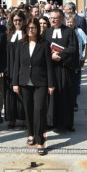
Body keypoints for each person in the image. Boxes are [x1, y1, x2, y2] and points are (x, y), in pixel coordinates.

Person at [12, 17, 55, 155]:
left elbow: (49, 65)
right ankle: (30, 133)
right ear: (25, 29)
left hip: (40, 82)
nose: (31, 30)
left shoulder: (44, 44)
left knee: (39, 110)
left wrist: (51, 84)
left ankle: (40, 139)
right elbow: (16, 64)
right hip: (24, 82)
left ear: (38, 29)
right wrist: (15, 82)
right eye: (29, 28)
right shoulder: (21, 43)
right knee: (28, 109)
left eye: (33, 28)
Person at [43, 8, 79, 131]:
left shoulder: (69, 32)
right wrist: (50, 55)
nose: (52, 20)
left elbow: (73, 48)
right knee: (51, 96)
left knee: (66, 95)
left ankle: (68, 122)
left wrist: (61, 55)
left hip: (64, 69)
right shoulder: (46, 32)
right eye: (51, 18)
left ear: (62, 19)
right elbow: (42, 48)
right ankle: (50, 122)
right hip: (50, 68)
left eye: (55, 18)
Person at [5, 10, 27, 129]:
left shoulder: (27, 34)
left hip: (22, 69)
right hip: (10, 68)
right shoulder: (8, 34)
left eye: (19, 20)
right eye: (15, 20)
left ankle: (24, 119)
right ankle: (12, 118)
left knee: (23, 94)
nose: (17, 22)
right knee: (10, 95)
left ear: (23, 21)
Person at [66, 14, 87, 111]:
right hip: (66, 61)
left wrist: (85, 57)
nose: (70, 23)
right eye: (68, 22)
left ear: (75, 23)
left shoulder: (79, 32)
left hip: (77, 61)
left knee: (75, 84)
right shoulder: (63, 31)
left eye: (72, 22)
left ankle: (74, 103)